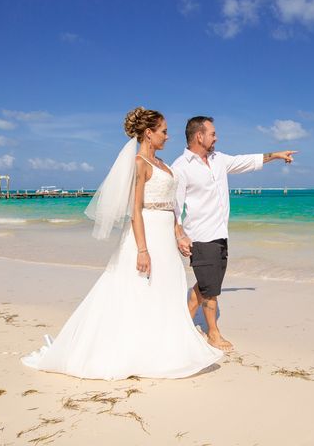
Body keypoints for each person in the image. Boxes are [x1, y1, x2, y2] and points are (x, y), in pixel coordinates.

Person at [21, 107, 223, 380]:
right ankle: (134, 348)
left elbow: (172, 207)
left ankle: (160, 344)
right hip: (147, 233)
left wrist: (179, 233)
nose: (167, 136)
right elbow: (135, 210)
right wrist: (142, 249)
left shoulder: (163, 164)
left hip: (165, 233)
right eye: (163, 131)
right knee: (138, 288)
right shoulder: (140, 163)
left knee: (165, 287)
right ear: (148, 133)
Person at [172, 116, 297, 351]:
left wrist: (276, 155)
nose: (216, 138)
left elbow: (246, 161)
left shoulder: (219, 160)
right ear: (199, 136)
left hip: (220, 233)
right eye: (213, 133)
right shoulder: (181, 167)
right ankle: (213, 334)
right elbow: (175, 206)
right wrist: (180, 235)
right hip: (200, 235)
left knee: (208, 285)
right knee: (210, 292)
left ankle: (179, 326)